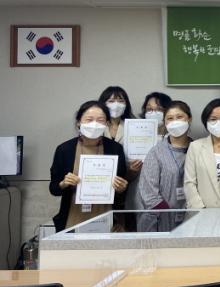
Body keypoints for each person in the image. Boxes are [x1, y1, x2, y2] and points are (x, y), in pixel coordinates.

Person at [49, 100, 128, 232]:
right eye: (89, 120)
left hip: (106, 219)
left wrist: (121, 188)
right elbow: (53, 189)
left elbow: (121, 192)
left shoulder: (115, 148)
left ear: (107, 123)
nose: (94, 124)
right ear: (79, 122)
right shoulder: (64, 149)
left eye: (100, 120)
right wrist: (63, 183)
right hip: (72, 219)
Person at [137, 101, 194, 231]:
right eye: (170, 118)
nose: (175, 122)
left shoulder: (198, 149)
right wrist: (169, 216)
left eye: (179, 117)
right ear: (165, 122)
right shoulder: (156, 152)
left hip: (193, 218)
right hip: (161, 222)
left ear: (189, 119)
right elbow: (149, 194)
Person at [127, 92, 172, 212]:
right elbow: (127, 175)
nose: (153, 113)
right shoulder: (134, 136)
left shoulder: (175, 138)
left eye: (159, 109)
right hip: (139, 194)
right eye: (149, 109)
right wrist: (132, 170)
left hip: (169, 195)